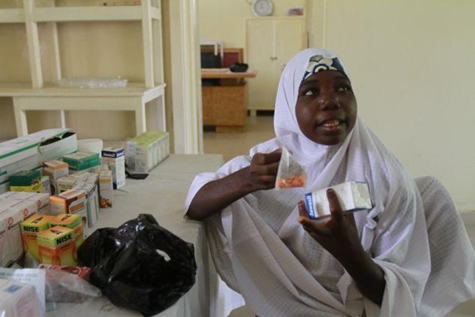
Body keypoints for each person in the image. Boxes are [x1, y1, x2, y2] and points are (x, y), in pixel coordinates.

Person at [184, 48, 475, 316]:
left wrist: (350, 252)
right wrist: (245, 180)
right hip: (283, 304)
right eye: (310, 92)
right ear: (288, 104)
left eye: (342, 88)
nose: (330, 100)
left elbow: (395, 297)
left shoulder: (382, 175)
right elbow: (196, 204)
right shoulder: (273, 163)